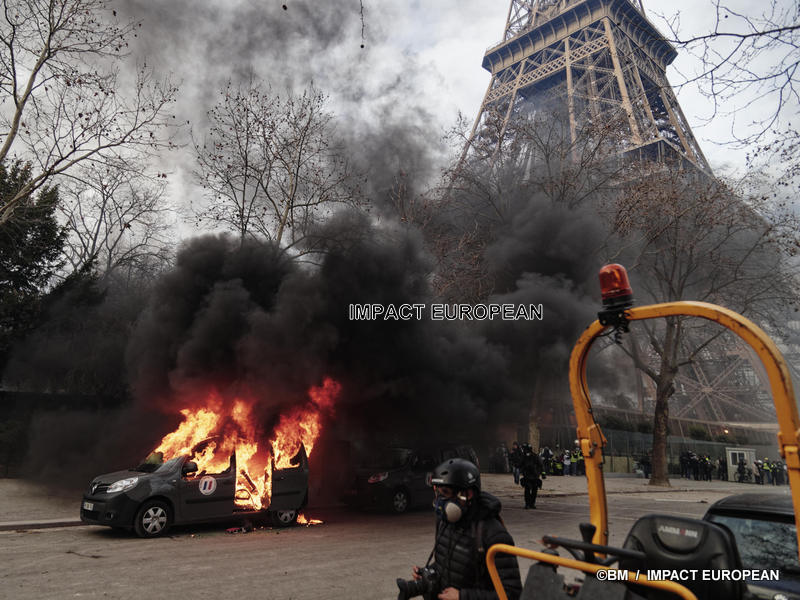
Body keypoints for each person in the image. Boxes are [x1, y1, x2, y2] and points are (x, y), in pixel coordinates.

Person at [405, 458, 522, 600]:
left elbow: (512, 594)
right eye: (438, 493)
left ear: (468, 494)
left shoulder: (493, 535)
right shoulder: (446, 523)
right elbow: (452, 564)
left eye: (446, 493)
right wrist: (428, 573)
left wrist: (463, 596)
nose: (440, 501)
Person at [520, 444, 543, 509]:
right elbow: (520, 464)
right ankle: (528, 504)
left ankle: (532, 504)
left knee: (534, 490)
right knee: (527, 490)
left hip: (534, 476)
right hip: (527, 476)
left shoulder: (535, 456)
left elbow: (540, 465)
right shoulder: (524, 457)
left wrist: (541, 473)